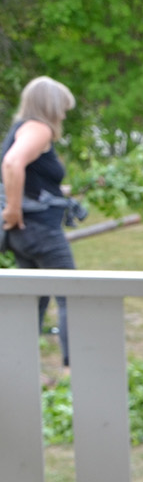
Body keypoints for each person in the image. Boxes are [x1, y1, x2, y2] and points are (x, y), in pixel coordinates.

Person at [2, 76, 79, 366]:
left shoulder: (21, 128)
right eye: (62, 108)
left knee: (33, 299)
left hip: (23, 234)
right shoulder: (39, 128)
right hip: (40, 232)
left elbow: (31, 183)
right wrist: (12, 209)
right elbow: (12, 163)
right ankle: (77, 365)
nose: (63, 115)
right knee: (71, 294)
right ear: (51, 106)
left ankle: (19, 366)